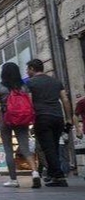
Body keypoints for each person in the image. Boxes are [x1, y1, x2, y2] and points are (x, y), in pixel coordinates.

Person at [26, 59, 74, 187]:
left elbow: (30, 103)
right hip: (58, 117)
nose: (27, 72)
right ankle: (53, 175)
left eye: (27, 69)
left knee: (48, 148)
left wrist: (31, 120)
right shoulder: (56, 81)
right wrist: (68, 119)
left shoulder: (30, 83)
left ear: (32, 68)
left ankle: (59, 177)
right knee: (54, 147)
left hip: (42, 117)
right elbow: (65, 99)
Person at [0, 62, 39, 188]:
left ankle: (13, 180)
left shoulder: (0, 87)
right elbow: (30, 103)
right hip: (22, 119)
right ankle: (35, 172)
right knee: (25, 147)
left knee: (8, 149)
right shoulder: (24, 86)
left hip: (6, 119)